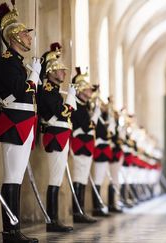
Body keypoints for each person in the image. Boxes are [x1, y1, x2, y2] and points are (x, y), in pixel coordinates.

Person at [0, 2, 40, 242]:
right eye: (24, 34)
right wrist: (34, 76)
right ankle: (10, 231)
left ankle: (14, 227)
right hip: (13, 124)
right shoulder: (7, 62)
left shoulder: (17, 63)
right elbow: (19, 91)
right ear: (13, 37)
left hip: (22, 123)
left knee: (17, 178)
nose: (28, 38)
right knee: (11, 177)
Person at [37, 43, 76, 232]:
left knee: (57, 179)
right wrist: (70, 100)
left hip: (60, 135)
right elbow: (61, 112)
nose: (63, 73)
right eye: (60, 70)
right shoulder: (48, 89)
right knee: (54, 179)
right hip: (55, 135)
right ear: (50, 71)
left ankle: (54, 219)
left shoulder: (52, 89)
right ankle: (52, 221)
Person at [69, 67, 98, 224]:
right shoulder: (77, 106)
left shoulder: (85, 106)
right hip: (80, 144)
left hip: (87, 144)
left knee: (83, 177)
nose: (89, 92)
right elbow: (86, 126)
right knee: (78, 177)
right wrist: (93, 119)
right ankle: (77, 211)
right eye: (87, 89)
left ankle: (80, 210)